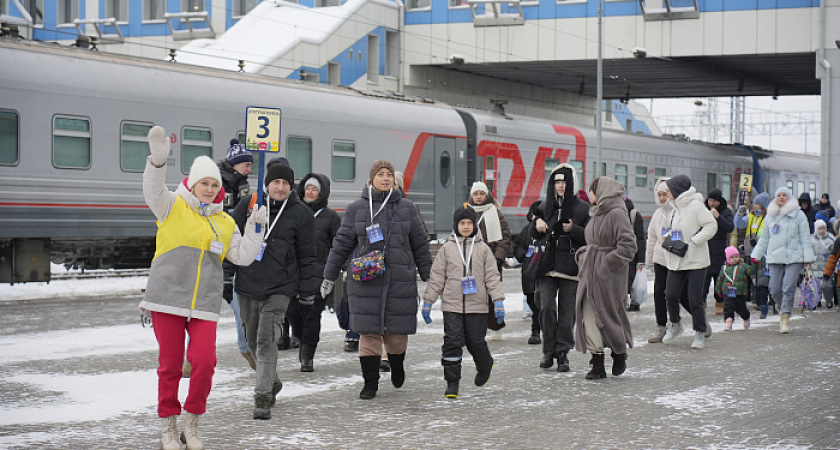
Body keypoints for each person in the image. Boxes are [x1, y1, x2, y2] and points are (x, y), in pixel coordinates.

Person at [139, 126, 265, 450]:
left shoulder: (223, 222)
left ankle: (191, 424)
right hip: (167, 299)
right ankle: (168, 427)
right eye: (204, 183)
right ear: (192, 184)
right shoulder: (171, 206)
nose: (209, 189)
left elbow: (243, 256)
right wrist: (158, 162)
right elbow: (152, 189)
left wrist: (256, 229)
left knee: (205, 361)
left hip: (204, 304)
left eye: (214, 185)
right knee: (170, 365)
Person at [321, 160, 432, 400]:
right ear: (371, 180)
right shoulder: (357, 209)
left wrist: (429, 276)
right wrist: (329, 276)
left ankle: (397, 364)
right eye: (380, 174)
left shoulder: (407, 208)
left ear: (394, 180)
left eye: (389, 174)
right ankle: (370, 383)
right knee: (368, 333)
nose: (385, 178)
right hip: (366, 280)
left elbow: (421, 244)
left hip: (400, 279)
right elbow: (341, 244)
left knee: (396, 334)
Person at [230, 162, 318, 420]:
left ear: (292, 187)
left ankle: (262, 395)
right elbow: (230, 239)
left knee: (267, 337)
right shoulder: (248, 204)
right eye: (276, 182)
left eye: (286, 184)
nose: (280, 187)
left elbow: (307, 256)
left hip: (280, 286)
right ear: (267, 183)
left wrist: (306, 291)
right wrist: (226, 277)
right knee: (252, 339)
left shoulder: (300, 214)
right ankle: (272, 381)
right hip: (247, 282)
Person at [422, 205, 505, 398]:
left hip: (477, 305)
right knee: (452, 341)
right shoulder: (447, 249)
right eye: (462, 223)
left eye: (469, 223)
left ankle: (485, 365)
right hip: (452, 304)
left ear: (474, 225)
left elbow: (492, 277)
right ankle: (452, 383)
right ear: (456, 225)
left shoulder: (483, 249)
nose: (466, 227)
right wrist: (428, 301)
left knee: (475, 341)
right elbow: (437, 278)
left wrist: (498, 300)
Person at [573, 177, 636, 380]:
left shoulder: (617, 213)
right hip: (589, 272)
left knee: (609, 314)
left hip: (608, 276)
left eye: (592, 190)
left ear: (601, 191)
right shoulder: (595, 213)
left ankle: (619, 353)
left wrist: (607, 263)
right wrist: (584, 255)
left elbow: (628, 246)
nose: (589, 195)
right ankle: (597, 362)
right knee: (589, 313)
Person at [530, 163, 589, 372]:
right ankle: (548, 350)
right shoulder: (545, 206)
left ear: (571, 183)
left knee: (567, 313)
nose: (561, 186)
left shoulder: (582, 208)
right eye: (557, 182)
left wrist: (573, 229)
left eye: (564, 182)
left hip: (571, 267)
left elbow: (589, 237)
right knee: (546, 307)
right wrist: (536, 222)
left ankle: (563, 352)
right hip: (547, 265)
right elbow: (532, 231)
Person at [284, 173, 341, 371]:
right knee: (292, 312)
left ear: (322, 193)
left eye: (315, 189)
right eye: (308, 188)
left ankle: (308, 354)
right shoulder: (294, 213)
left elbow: (338, 246)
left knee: (312, 316)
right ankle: (298, 336)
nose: (310, 192)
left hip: (319, 275)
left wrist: (333, 272)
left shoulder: (331, 218)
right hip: (293, 274)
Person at [660, 175, 717, 349]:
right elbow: (677, 229)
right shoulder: (676, 208)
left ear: (677, 190)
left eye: (669, 191)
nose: (667, 194)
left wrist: (694, 241)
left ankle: (700, 332)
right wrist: (669, 236)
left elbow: (711, 225)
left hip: (696, 261)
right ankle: (676, 324)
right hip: (677, 258)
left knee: (694, 300)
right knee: (670, 295)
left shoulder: (696, 206)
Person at [751, 187, 815, 334]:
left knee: (788, 286)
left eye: (784, 195)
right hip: (774, 257)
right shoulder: (770, 216)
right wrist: (756, 255)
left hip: (794, 257)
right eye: (778, 195)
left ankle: (785, 316)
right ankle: (781, 306)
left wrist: (808, 257)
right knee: (774, 288)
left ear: (789, 197)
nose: (781, 198)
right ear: (775, 198)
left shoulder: (798, 215)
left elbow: (805, 237)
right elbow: (764, 239)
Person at [217, 138, 255, 371]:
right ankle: (189, 360)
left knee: (240, 308)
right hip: (214, 250)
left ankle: (246, 349)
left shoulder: (243, 184)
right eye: (247, 165)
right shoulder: (214, 182)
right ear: (235, 164)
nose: (250, 170)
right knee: (203, 310)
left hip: (235, 247)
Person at [645, 178, 692, 343]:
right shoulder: (657, 214)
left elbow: (681, 233)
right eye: (660, 194)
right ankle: (661, 328)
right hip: (660, 258)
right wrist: (649, 260)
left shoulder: (678, 211)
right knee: (659, 293)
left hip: (675, 258)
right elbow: (651, 238)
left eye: (665, 194)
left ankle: (699, 320)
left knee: (682, 294)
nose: (663, 198)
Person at [467, 181, 512, 341]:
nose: (479, 197)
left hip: (492, 260)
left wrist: (498, 258)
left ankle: (496, 327)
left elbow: (505, 237)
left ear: (487, 195)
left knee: (493, 295)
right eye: (476, 194)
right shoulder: (466, 212)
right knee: (472, 295)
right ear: (472, 196)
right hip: (471, 262)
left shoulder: (495, 212)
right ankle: (474, 328)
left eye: (481, 194)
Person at [513, 200, 543, 344]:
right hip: (529, 271)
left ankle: (536, 330)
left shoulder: (548, 230)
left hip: (544, 272)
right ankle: (538, 327)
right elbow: (517, 245)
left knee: (542, 303)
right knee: (531, 300)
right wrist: (523, 256)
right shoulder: (526, 230)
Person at [703, 189, 735, 315]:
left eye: (714, 201)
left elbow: (730, 227)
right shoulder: (703, 209)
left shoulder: (726, 211)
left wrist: (718, 217)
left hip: (719, 248)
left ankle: (719, 302)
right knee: (704, 276)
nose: (711, 203)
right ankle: (702, 300)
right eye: (710, 200)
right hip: (706, 246)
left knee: (718, 276)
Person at [714, 246, 752, 331]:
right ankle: (728, 320)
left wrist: (754, 265)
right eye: (732, 257)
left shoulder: (743, 266)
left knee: (741, 307)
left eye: (736, 256)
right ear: (727, 258)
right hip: (727, 291)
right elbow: (720, 279)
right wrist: (718, 290)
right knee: (728, 306)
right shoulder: (724, 268)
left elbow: (751, 272)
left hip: (740, 292)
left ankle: (746, 317)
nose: (734, 259)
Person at [624, 195, 646, 311]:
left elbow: (640, 238)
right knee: (627, 279)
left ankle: (633, 301)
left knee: (631, 279)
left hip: (632, 254)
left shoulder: (634, 215)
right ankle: (629, 301)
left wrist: (641, 259)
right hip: (626, 253)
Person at [811, 219, 834, 308]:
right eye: (820, 228)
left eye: (824, 228)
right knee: (814, 286)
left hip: (826, 267)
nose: (822, 230)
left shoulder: (830, 240)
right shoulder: (811, 240)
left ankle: (829, 300)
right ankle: (816, 301)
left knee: (827, 286)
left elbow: (834, 254)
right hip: (815, 267)